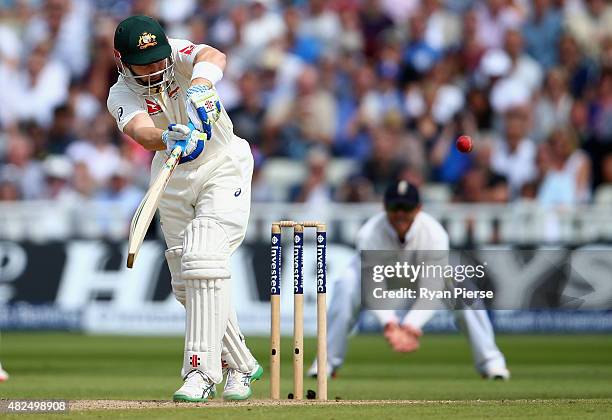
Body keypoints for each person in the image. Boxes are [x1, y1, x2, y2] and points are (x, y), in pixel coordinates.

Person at [106, 15, 261, 402]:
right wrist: (166, 136)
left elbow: (214, 54)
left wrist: (203, 85)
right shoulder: (120, 94)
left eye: (159, 59)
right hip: (172, 172)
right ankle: (240, 364)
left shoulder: (175, 54)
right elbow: (141, 133)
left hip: (223, 164)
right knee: (185, 283)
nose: (157, 68)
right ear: (120, 59)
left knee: (204, 255)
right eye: (146, 63)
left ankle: (200, 372)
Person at [308, 180, 510, 380]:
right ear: (385, 207)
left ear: (419, 208)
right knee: (346, 284)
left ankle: (491, 363)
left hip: (420, 276)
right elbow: (371, 287)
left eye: (407, 207)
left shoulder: (434, 234)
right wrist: (390, 323)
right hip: (382, 279)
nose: (400, 213)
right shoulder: (369, 234)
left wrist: (411, 325)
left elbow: (433, 287)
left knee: (462, 289)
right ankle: (326, 362)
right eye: (395, 207)